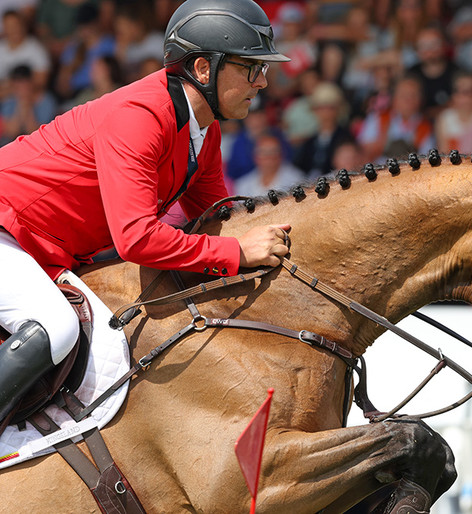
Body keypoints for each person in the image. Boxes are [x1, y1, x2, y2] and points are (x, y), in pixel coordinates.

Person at [0, 0, 291, 423]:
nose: (262, 81)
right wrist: (237, 253)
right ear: (204, 69)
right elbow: (136, 237)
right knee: (56, 327)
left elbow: (221, 217)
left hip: (39, 247)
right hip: (7, 229)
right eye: (251, 67)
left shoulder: (202, 131)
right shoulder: (140, 116)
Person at [357, 75, 435, 163]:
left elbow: (426, 160)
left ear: (421, 99)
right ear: (394, 98)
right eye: (404, 95)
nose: (408, 100)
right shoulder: (378, 118)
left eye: (413, 95)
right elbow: (362, 150)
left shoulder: (425, 127)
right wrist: (381, 143)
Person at [293, 82, 353, 178]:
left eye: (329, 108)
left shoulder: (346, 137)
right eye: (320, 108)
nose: (325, 112)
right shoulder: (310, 141)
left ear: (338, 109)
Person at [407, 26, 458, 122]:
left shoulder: (457, 72)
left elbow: (463, 105)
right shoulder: (411, 74)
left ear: (444, 45)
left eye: (434, 44)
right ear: (417, 50)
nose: (429, 51)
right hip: (417, 128)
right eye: (423, 45)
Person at [233, 134, 306, 197]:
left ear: (281, 155)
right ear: (255, 156)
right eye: (263, 152)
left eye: (273, 151)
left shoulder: (297, 180)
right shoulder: (243, 184)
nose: (269, 156)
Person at [1, 64, 58, 145]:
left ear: (31, 82)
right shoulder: (9, 101)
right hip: (12, 144)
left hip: (40, 144)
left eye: (23, 85)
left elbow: (35, 133)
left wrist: (27, 106)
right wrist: (21, 104)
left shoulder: (46, 101)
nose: (20, 90)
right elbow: (11, 132)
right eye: (16, 87)